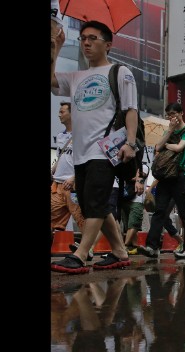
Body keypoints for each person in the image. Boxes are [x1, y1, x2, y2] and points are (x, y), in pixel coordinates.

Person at [51, 20, 136, 273]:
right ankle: (120, 251)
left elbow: (131, 109)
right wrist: (56, 48)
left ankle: (81, 254)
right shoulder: (76, 77)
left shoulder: (120, 72)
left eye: (92, 38)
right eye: (83, 38)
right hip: (80, 153)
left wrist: (130, 143)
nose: (86, 43)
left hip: (104, 149)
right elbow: (52, 81)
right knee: (92, 205)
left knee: (96, 201)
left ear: (108, 44)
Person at [137, 103, 185, 259]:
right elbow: (157, 147)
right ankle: (152, 246)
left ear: (181, 113)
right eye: (169, 115)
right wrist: (169, 131)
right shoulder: (168, 130)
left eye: (173, 113)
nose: (171, 117)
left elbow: (179, 148)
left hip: (181, 176)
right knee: (159, 212)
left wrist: (167, 145)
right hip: (165, 177)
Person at [51, 102, 85, 235]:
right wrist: (55, 166)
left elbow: (85, 161)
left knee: (81, 218)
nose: (59, 114)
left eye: (62, 111)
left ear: (72, 114)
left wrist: (74, 177)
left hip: (73, 186)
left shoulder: (82, 135)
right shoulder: (60, 136)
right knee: (54, 219)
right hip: (57, 184)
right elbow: (62, 155)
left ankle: (89, 248)